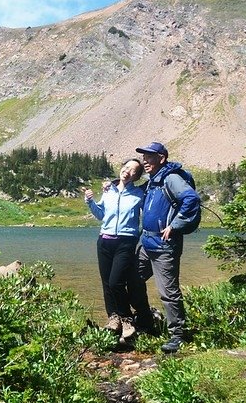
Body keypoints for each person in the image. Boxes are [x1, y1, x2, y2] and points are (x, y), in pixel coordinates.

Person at [135, 142, 201, 353]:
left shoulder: (171, 178)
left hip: (164, 246)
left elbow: (191, 198)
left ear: (161, 158)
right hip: (147, 244)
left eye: (150, 157)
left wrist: (176, 225)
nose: (145, 160)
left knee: (168, 292)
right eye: (144, 157)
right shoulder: (153, 181)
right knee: (132, 280)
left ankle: (178, 335)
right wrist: (115, 184)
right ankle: (145, 322)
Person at [84, 158, 146, 340]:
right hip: (104, 241)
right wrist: (90, 202)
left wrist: (136, 234)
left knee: (116, 282)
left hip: (125, 242)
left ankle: (127, 319)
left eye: (133, 171)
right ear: (121, 168)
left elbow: (146, 215)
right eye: (126, 167)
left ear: (136, 177)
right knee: (106, 283)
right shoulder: (109, 191)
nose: (127, 171)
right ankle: (113, 319)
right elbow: (101, 215)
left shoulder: (138, 194)